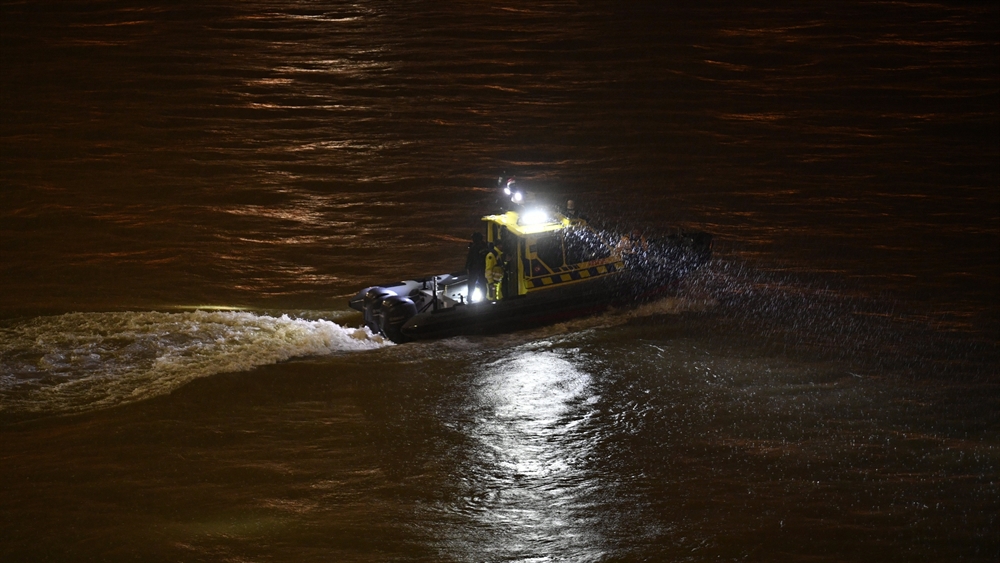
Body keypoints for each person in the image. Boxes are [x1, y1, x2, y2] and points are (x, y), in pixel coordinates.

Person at [465, 232, 489, 302]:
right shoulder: (485, 246)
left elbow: (470, 258)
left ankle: (469, 298)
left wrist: (467, 267)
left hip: (474, 268)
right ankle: (484, 298)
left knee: (471, 283)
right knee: (483, 283)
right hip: (482, 267)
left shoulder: (474, 247)